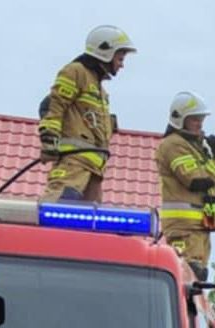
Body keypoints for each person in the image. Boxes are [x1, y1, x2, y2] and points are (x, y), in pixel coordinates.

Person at [38, 25, 137, 203]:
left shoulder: (100, 90)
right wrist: (49, 140)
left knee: (90, 223)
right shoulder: (75, 72)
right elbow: (54, 106)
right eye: (120, 58)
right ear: (106, 52)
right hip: (74, 163)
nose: (122, 64)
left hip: (95, 170)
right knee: (58, 209)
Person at [155, 92, 215, 280]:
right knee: (188, 275)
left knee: (198, 278)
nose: (200, 124)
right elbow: (197, 180)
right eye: (195, 119)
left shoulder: (195, 146)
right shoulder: (173, 145)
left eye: (201, 119)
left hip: (202, 225)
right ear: (180, 119)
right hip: (184, 227)